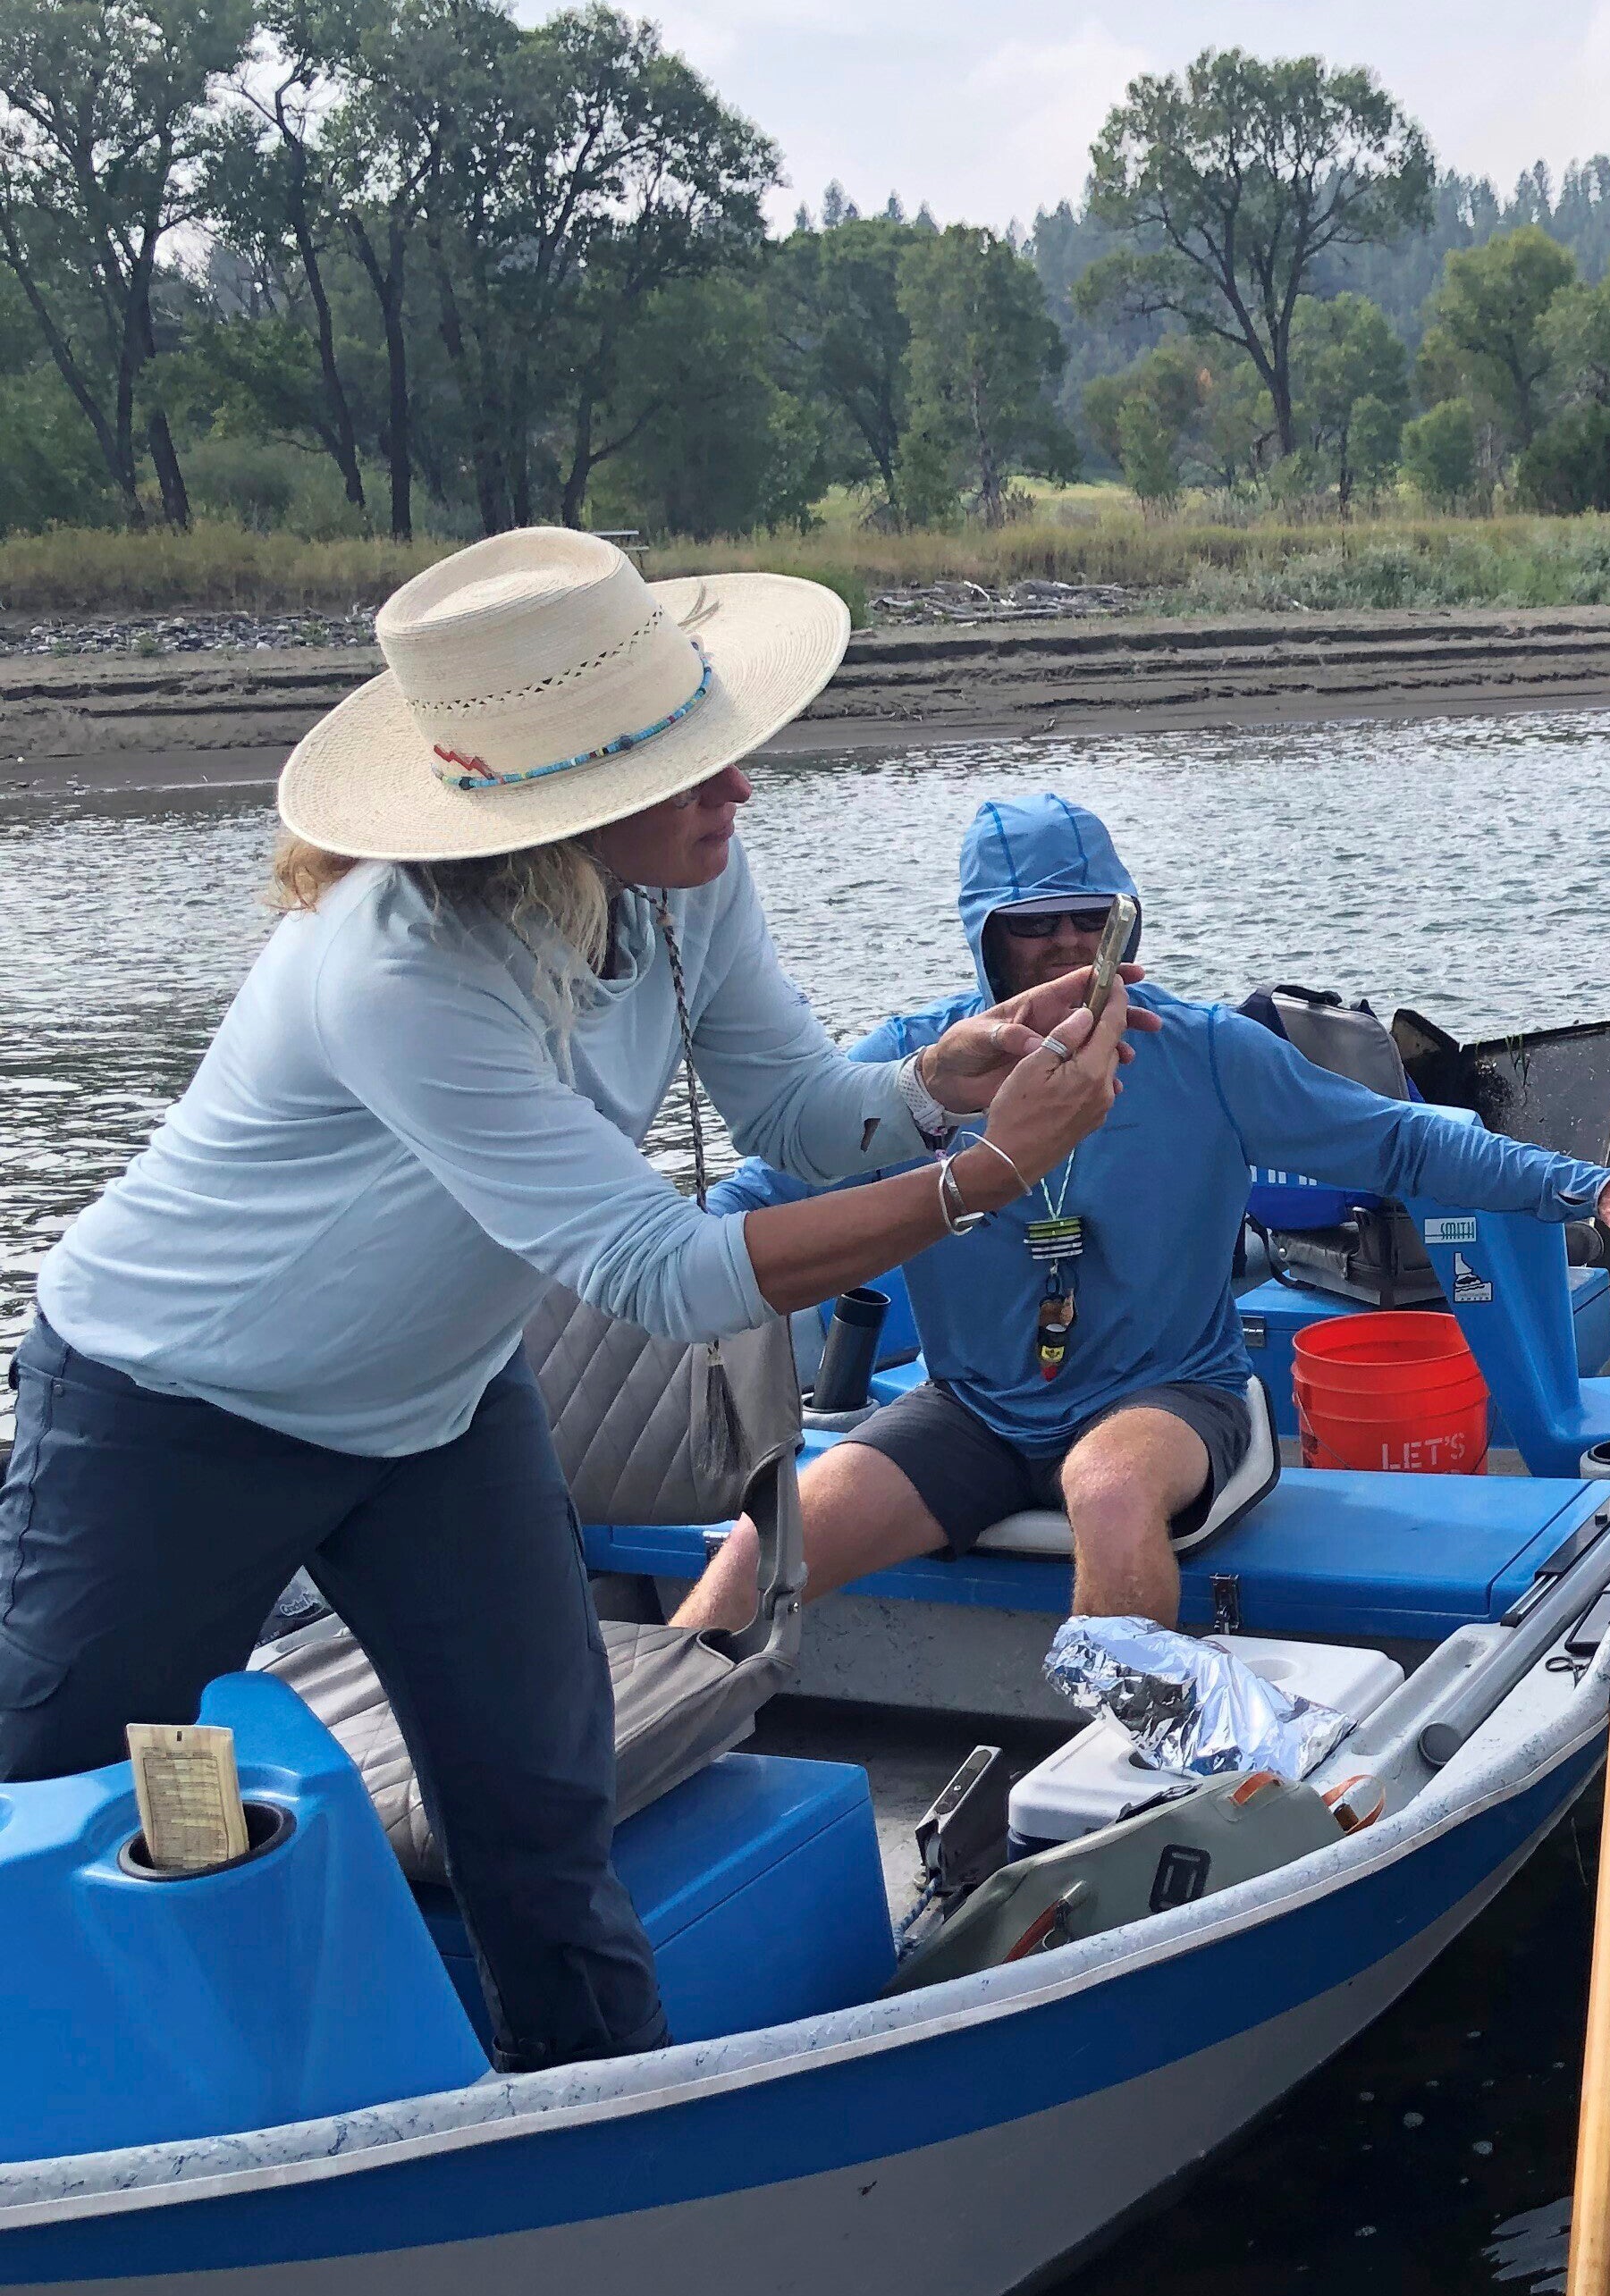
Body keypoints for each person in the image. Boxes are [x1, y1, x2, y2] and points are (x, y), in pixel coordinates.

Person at [0, 528, 1137, 2073]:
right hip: (170, 1408)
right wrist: (986, 1180)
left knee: (541, 1800)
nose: (741, 787)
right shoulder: (394, 971)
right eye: (694, 770)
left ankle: (603, 2110)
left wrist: (937, 1093)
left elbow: (798, 1109)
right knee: (52, 1789)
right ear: (564, 811)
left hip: (435, 1408)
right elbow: (662, 1276)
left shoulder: (687, 882)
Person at [673, 793, 1610, 1635]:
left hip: (1171, 1397)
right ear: (984, 939)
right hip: (973, 1408)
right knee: (769, 1544)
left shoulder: (1207, 1051)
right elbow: (765, 1193)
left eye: (1094, 921)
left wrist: (1593, 1186)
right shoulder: (916, 1064)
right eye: (1034, 927)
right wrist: (629, 1268)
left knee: (1109, 1492)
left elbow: (1402, 1138)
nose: (1069, 947)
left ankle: (1119, 1782)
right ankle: (662, 1738)